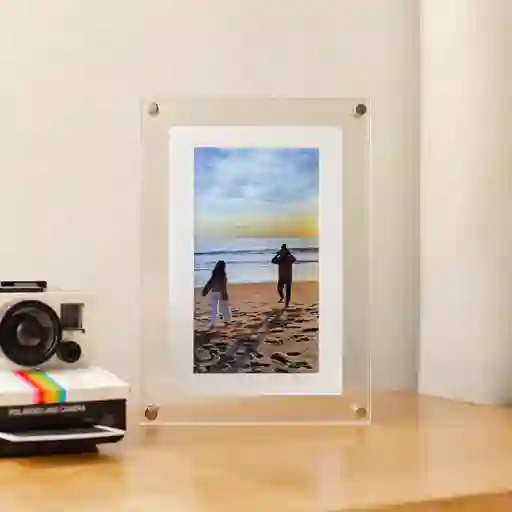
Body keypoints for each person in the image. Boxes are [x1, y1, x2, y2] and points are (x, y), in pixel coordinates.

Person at [201, 260, 232, 328]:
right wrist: (224, 294)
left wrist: (205, 290)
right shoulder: (223, 274)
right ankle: (226, 321)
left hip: (214, 292)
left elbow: (210, 283)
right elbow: (223, 285)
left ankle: (213, 322)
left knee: (214, 308)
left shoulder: (214, 273)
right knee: (224, 307)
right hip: (221, 292)